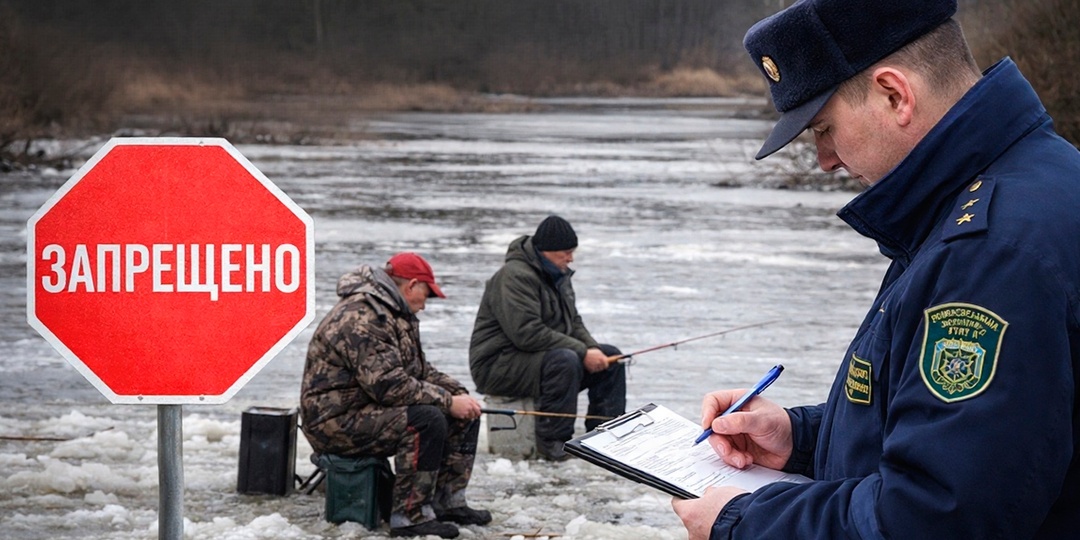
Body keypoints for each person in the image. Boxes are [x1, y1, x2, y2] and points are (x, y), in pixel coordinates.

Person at [671, 0, 1080, 538]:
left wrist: (744, 523)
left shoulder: (991, 251)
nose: (824, 159)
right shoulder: (1023, 185)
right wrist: (800, 438)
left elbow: (937, 516)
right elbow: (972, 437)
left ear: (895, 95)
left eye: (823, 128)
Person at [300, 252, 491, 539]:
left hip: (365, 410)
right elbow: (388, 386)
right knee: (425, 420)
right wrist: (448, 402)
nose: (425, 305)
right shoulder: (363, 317)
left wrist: (457, 393)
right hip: (333, 422)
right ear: (411, 285)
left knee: (464, 413)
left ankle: (447, 502)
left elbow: (419, 370)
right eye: (426, 295)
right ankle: (409, 517)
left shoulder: (394, 314)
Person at [469, 215, 627, 461]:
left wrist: (593, 350)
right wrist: (582, 353)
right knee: (566, 360)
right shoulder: (514, 276)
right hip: (498, 366)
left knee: (610, 358)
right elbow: (527, 334)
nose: (570, 258)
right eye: (565, 252)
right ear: (546, 251)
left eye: (572, 252)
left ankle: (606, 438)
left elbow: (573, 322)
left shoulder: (559, 276)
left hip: (537, 359)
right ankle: (554, 445)